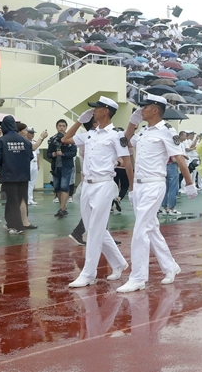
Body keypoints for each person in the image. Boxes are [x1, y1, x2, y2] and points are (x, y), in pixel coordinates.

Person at [120, 93, 196, 292]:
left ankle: (138, 277)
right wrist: (132, 122)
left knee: (140, 230)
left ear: (155, 109)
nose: (141, 110)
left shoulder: (167, 131)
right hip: (140, 185)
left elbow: (179, 158)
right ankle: (170, 266)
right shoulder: (144, 131)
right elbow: (124, 141)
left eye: (144, 107)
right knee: (151, 228)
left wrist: (189, 183)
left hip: (154, 184)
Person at [64, 96, 134, 288]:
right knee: (96, 229)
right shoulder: (90, 134)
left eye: (96, 108)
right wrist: (79, 121)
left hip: (104, 185)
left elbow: (126, 161)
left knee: (94, 231)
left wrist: (132, 188)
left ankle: (88, 273)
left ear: (106, 111)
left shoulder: (115, 135)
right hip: (87, 185)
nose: (93, 111)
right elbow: (66, 138)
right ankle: (119, 263)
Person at [0, 115, 33, 235]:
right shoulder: (25, 140)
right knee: (21, 199)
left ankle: (17, 227)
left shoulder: (1, 140)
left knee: (12, 200)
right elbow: (30, 156)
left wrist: (4, 166)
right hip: (24, 175)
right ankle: (10, 223)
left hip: (9, 175)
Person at [47, 118, 77, 217]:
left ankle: (62, 208)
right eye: (60, 126)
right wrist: (53, 154)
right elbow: (48, 154)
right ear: (56, 127)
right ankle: (63, 208)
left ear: (66, 127)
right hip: (55, 167)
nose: (61, 128)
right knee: (57, 188)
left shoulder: (71, 139)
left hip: (67, 166)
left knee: (64, 187)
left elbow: (73, 153)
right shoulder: (52, 139)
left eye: (63, 126)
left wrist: (63, 154)